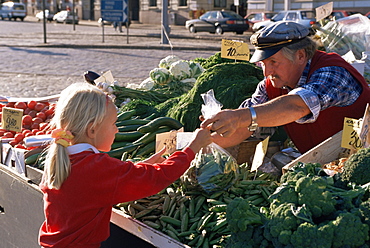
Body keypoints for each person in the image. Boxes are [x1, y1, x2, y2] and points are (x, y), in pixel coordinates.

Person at [38, 83, 212, 248]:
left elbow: (101, 182)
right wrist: (193, 147)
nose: (117, 130)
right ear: (92, 130)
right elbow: (156, 178)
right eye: (113, 124)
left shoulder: (62, 158)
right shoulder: (95, 167)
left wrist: (142, 165)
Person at [201, 21, 370, 154]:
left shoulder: (332, 72)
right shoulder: (270, 86)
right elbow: (244, 127)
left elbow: (297, 105)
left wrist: (240, 117)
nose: (267, 72)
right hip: (319, 169)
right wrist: (200, 141)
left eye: (273, 62)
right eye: (263, 64)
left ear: (300, 56)